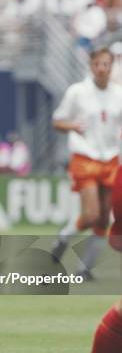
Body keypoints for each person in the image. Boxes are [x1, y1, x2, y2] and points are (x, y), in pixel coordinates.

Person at [51, 48, 122, 280]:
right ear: (91, 66)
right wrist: (72, 126)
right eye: (98, 64)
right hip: (85, 157)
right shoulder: (78, 92)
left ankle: (84, 269)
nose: (102, 68)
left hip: (110, 159)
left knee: (103, 218)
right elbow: (58, 121)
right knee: (91, 214)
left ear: (112, 67)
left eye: (106, 64)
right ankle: (61, 241)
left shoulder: (118, 94)